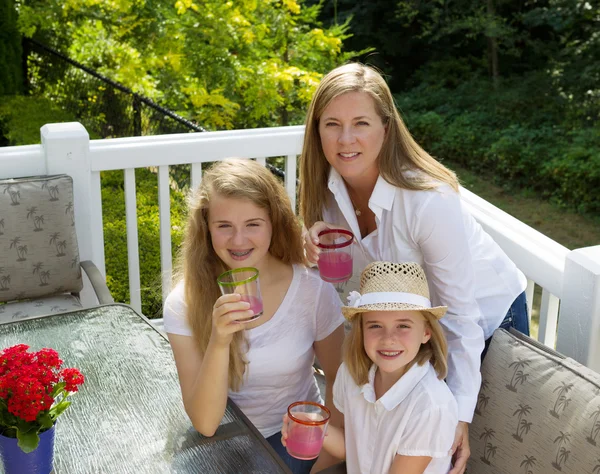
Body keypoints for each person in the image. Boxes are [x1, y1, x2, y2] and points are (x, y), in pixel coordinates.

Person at [299, 63, 528, 474]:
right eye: (332, 123)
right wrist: (307, 252)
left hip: (483, 314)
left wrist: (459, 412)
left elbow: (460, 316)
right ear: (317, 131)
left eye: (361, 123)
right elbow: (348, 286)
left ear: (386, 128)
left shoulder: (427, 201)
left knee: (461, 447)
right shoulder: (325, 193)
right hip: (407, 323)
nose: (345, 139)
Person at [163, 159, 345, 474]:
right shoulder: (185, 302)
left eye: (253, 224)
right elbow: (206, 424)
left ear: (274, 223)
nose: (238, 240)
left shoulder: (312, 291)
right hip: (220, 442)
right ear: (206, 229)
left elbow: (340, 385)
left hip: (291, 439)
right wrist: (220, 341)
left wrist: (323, 461)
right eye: (224, 226)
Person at [282, 261, 458, 474]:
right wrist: (318, 428)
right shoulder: (350, 373)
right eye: (375, 325)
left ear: (426, 332)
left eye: (403, 326)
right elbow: (352, 449)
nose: (388, 339)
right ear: (361, 331)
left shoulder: (431, 406)